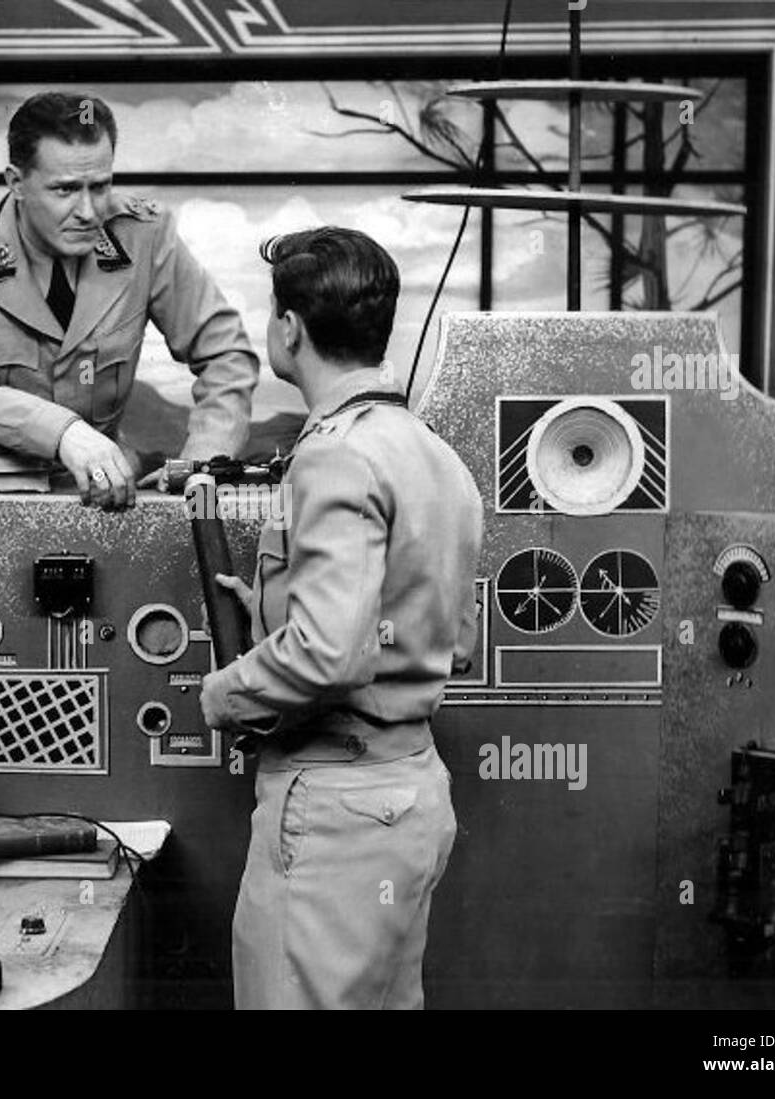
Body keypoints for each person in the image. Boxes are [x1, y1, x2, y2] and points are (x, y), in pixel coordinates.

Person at [199, 227, 484, 1009]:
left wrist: (224, 694)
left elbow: (330, 656)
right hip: (409, 795)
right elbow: (455, 642)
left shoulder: (333, 454)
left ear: (287, 329)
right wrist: (271, 607)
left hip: (335, 811)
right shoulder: (433, 454)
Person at [0, 92, 259, 510]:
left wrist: (203, 464)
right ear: (16, 182)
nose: (89, 211)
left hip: (106, 497)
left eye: (101, 186)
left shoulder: (144, 234)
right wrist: (64, 433)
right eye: (66, 189)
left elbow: (225, 355)